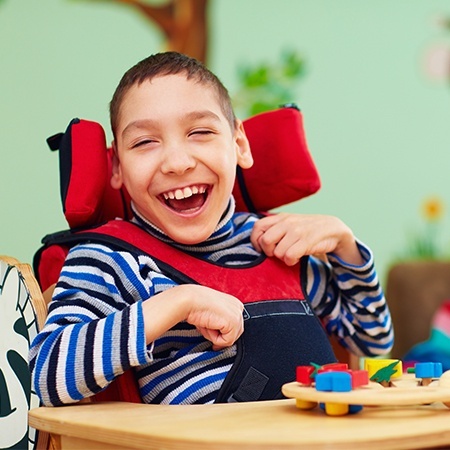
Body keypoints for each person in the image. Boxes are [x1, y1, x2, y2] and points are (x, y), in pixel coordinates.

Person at [29, 52, 393, 406]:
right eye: (144, 142)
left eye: (200, 132)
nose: (177, 162)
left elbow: (372, 342)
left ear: (239, 145)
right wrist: (176, 303)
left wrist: (346, 246)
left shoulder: (277, 244)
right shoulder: (110, 258)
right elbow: (44, 376)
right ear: (117, 168)